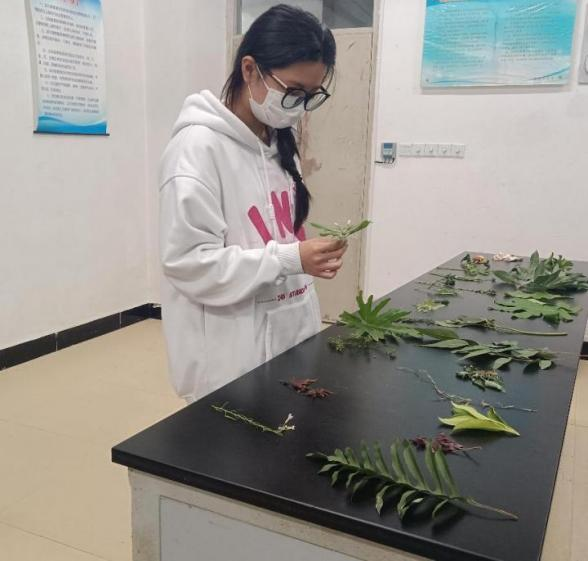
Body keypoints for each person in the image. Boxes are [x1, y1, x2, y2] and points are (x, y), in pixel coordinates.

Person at [159, 4, 346, 404]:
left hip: (289, 343)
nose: (299, 106)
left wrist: (303, 260)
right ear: (250, 70)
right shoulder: (197, 149)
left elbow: (283, 241)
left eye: (310, 96)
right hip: (229, 360)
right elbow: (189, 264)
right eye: (292, 92)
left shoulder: (279, 141)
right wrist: (290, 258)